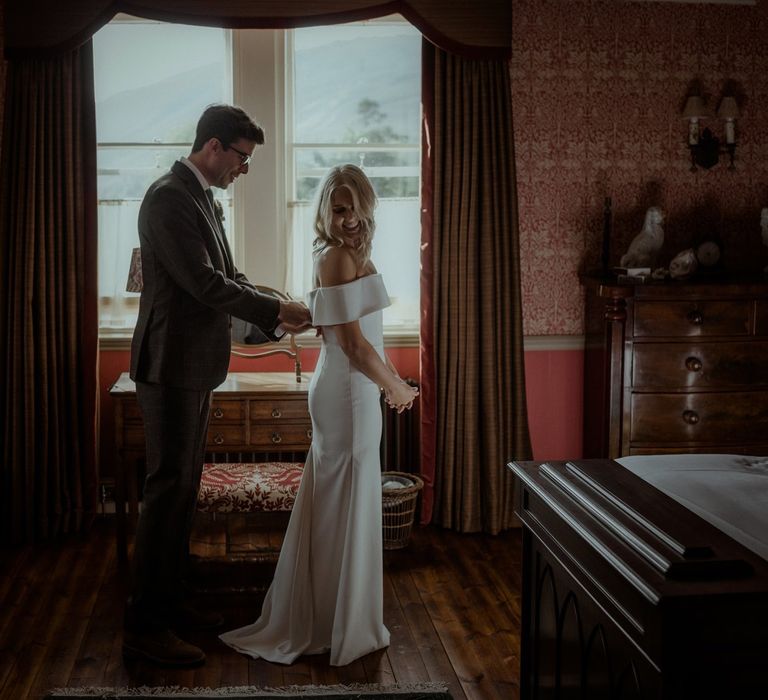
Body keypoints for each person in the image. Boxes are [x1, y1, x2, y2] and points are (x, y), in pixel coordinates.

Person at [123, 104, 312, 667]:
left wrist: (277, 312)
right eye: (243, 158)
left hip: (195, 367)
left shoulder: (200, 196)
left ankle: (173, 601)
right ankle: (144, 626)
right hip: (169, 367)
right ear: (213, 146)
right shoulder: (167, 199)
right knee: (165, 494)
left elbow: (230, 275)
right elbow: (205, 285)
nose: (244, 170)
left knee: (181, 492)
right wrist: (277, 308)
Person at [219, 164, 418, 666]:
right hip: (348, 393)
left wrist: (391, 381)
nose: (349, 218)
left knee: (346, 500)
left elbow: (365, 336)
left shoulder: (350, 256)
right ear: (325, 211)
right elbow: (352, 344)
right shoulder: (334, 257)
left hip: (355, 389)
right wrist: (394, 385)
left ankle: (340, 616)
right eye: (339, 208)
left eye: (356, 207)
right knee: (342, 501)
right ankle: (333, 622)